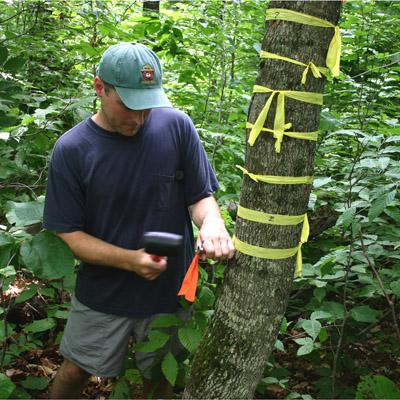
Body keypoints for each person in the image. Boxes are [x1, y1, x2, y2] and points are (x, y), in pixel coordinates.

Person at [43, 42, 235, 399]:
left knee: (158, 379)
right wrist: (131, 261)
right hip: (103, 293)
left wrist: (212, 223)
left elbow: (200, 196)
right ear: (100, 87)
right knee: (74, 371)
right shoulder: (73, 149)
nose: (140, 117)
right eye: (128, 105)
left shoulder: (176, 126)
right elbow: (70, 234)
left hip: (168, 294)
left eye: (148, 105)